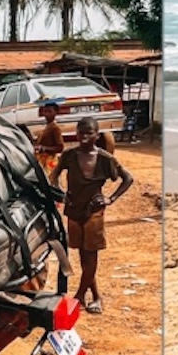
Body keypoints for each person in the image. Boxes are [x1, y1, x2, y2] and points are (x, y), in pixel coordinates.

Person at [48, 118, 133, 314]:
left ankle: (79, 295)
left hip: (94, 212)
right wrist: (61, 193)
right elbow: (55, 174)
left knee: (91, 255)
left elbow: (128, 179)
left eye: (89, 133)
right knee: (83, 256)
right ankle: (95, 296)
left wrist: (110, 199)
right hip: (74, 211)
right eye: (81, 133)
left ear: (97, 134)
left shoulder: (105, 158)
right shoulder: (69, 155)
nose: (84, 137)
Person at [34, 102, 66, 175]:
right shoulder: (46, 126)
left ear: (56, 112)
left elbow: (60, 147)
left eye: (50, 111)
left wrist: (44, 148)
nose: (47, 114)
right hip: (42, 160)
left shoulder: (55, 128)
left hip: (50, 161)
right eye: (45, 111)